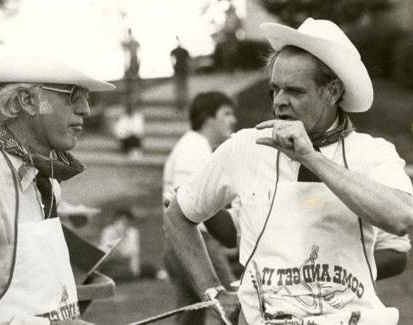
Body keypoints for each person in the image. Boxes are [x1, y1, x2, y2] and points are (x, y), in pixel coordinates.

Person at [163, 18, 413, 325]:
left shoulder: (371, 152)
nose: (280, 102)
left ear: (332, 91)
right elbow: (179, 214)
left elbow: (401, 217)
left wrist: (311, 158)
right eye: (274, 89)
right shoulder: (244, 146)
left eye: (294, 91)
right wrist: (212, 291)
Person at [0, 54, 115, 325]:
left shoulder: (48, 180)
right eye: (73, 96)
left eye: (87, 98)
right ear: (27, 101)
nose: (85, 109)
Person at [163, 91, 237, 324]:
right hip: (196, 243)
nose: (233, 119)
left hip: (179, 245)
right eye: (226, 113)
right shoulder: (194, 149)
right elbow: (183, 203)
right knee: (232, 311)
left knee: (189, 320)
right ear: (208, 119)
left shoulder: (193, 145)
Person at [170, 36, 190, 110]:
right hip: (182, 70)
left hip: (179, 70)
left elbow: (171, 59)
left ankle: (181, 105)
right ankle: (182, 105)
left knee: (180, 89)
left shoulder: (176, 50)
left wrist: (173, 66)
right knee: (182, 88)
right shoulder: (184, 50)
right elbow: (188, 60)